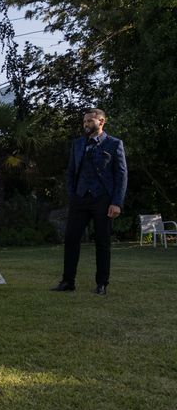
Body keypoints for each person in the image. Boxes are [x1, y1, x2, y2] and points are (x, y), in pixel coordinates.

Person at [51, 108, 127, 296]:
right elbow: (70, 171)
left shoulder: (114, 144)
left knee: (102, 242)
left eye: (89, 121)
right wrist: (73, 194)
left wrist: (117, 202)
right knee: (70, 240)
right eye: (84, 121)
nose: (85, 124)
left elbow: (121, 174)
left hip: (103, 199)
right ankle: (68, 281)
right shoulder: (77, 144)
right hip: (80, 198)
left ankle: (102, 284)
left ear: (101, 122)